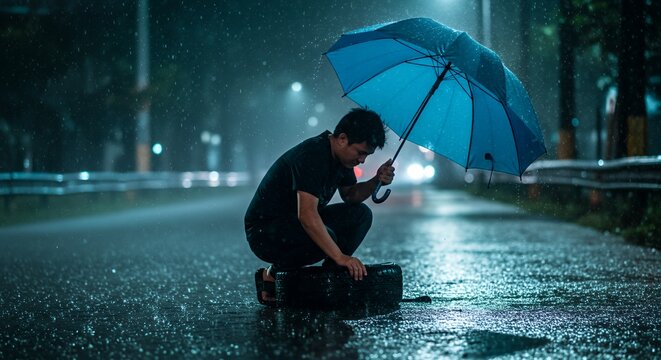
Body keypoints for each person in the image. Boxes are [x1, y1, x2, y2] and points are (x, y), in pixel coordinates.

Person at [244, 108, 395, 305]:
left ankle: (331, 278)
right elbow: (307, 215)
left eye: (366, 155)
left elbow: (351, 196)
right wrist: (341, 256)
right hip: (264, 232)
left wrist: (377, 180)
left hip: (294, 225)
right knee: (327, 237)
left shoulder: (342, 159)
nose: (362, 160)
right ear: (342, 139)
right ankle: (272, 275)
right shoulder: (313, 155)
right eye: (360, 153)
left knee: (361, 215)